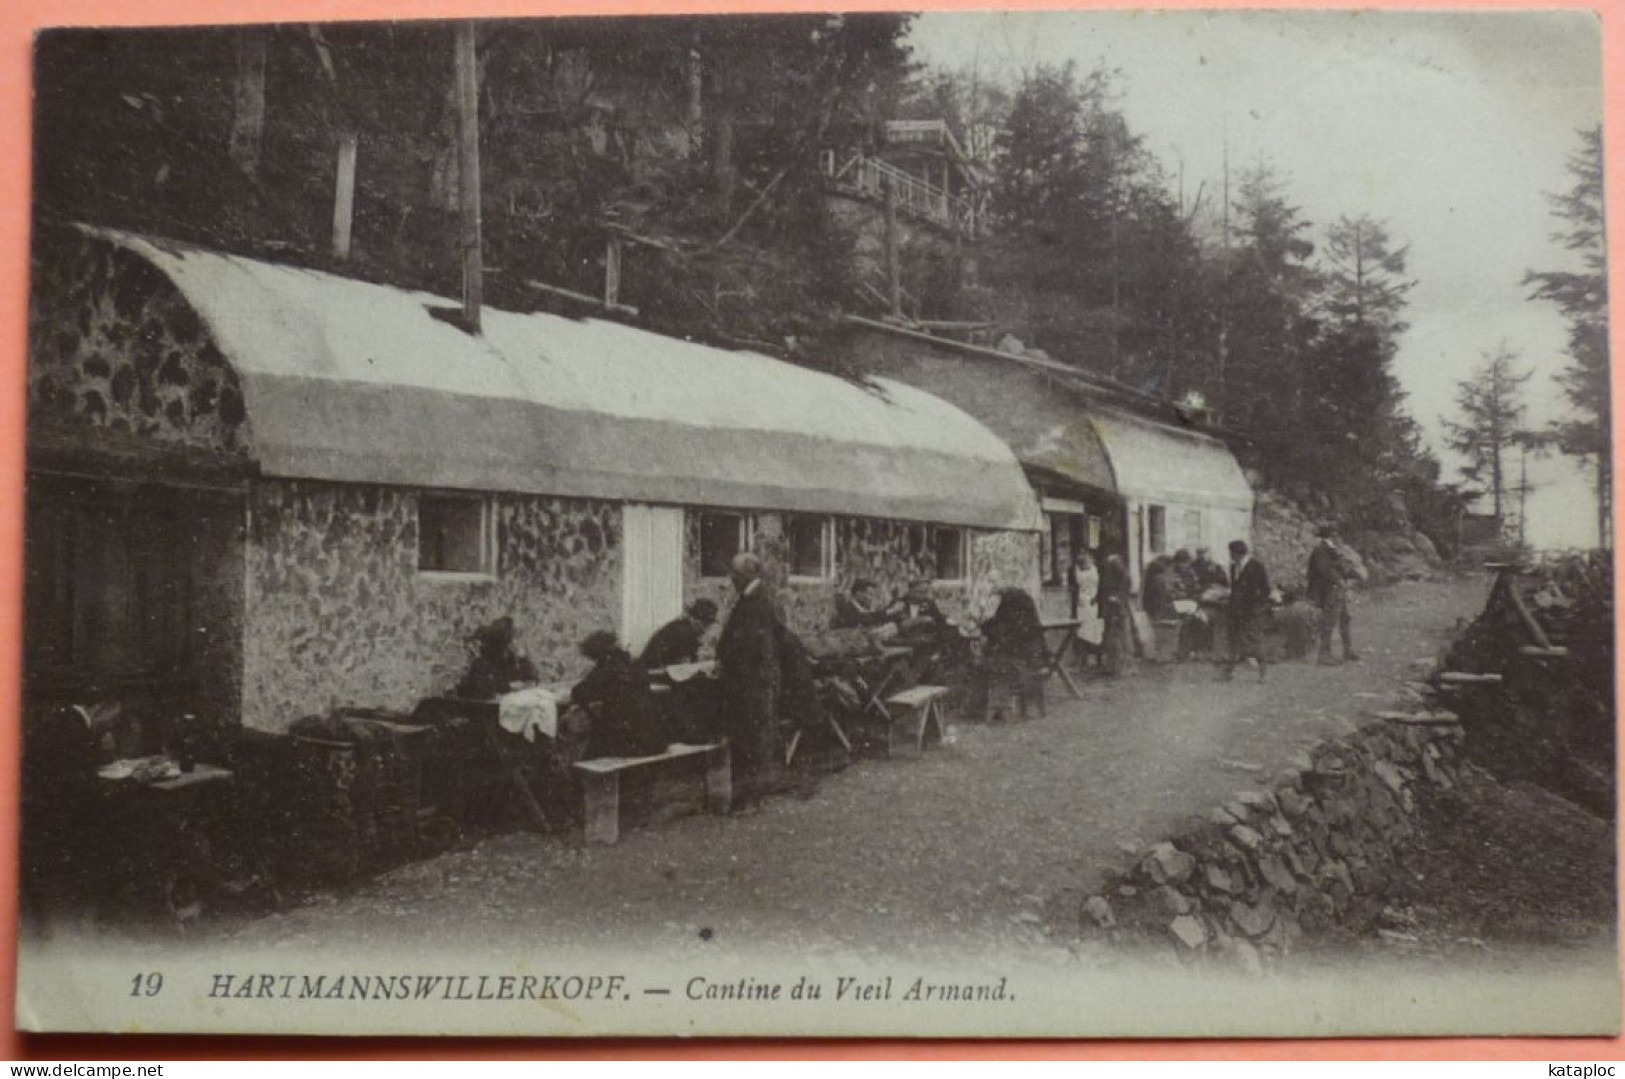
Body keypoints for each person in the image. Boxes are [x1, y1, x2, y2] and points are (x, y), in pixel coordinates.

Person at [716, 552, 784, 804]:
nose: (732, 578)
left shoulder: (759, 602)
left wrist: (731, 665)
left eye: (736, 574)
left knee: (753, 735)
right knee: (753, 734)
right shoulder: (751, 599)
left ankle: (750, 796)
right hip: (752, 679)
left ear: (749, 574)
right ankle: (752, 792)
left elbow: (756, 646)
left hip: (753, 681)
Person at [572, 631, 668, 758]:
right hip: (656, 741)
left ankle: (579, 769)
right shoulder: (634, 663)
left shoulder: (607, 668)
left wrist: (588, 676)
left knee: (596, 729)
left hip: (632, 744)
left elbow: (579, 692)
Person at [974, 587, 1049, 719]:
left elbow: (992, 630)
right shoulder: (1028, 619)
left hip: (1017, 661)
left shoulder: (1007, 618)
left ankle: (987, 707)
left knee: (983, 662)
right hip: (1035, 659)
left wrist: (982, 623)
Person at [1307, 524, 1362, 665]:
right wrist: (1339, 580)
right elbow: (1325, 569)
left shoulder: (1332, 549)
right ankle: (1324, 655)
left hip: (1336, 589)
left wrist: (1355, 576)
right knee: (1328, 621)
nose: (1338, 537)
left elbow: (1342, 567)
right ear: (1331, 535)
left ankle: (1347, 650)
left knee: (1345, 618)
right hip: (1328, 590)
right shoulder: (1321, 550)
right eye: (1336, 534)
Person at [1222, 539, 1271, 682]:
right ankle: (1228, 672)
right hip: (1235, 610)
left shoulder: (1256, 567)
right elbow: (1235, 589)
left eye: (1231, 553)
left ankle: (1263, 674)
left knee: (1255, 641)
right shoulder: (1233, 567)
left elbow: (1265, 590)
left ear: (1237, 554)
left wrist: (1256, 606)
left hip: (1251, 611)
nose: (1230, 556)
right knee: (1233, 640)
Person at [456, 616, 539, 698]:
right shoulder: (483, 663)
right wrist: (509, 686)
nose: (516, 644)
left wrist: (523, 658)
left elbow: (533, 681)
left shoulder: (512, 660)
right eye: (513, 640)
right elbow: (486, 689)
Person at [637, 599, 719, 670]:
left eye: (708, 625)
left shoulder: (681, 626)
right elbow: (683, 666)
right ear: (693, 618)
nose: (705, 629)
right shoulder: (682, 632)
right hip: (652, 675)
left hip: (656, 672)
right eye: (703, 624)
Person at [1098, 554, 1135, 676]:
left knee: (1117, 637)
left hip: (1116, 609)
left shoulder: (1114, 578)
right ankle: (1118, 666)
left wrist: (1115, 599)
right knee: (1118, 637)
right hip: (1118, 609)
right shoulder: (1123, 576)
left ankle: (1117, 666)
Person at [1069, 551, 1105, 666]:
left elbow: (1100, 585)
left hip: (1093, 601)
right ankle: (1083, 657)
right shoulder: (1076, 571)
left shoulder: (1096, 569)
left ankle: (1096, 656)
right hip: (1082, 601)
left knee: (1095, 628)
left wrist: (1097, 597)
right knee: (1083, 628)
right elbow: (1075, 586)